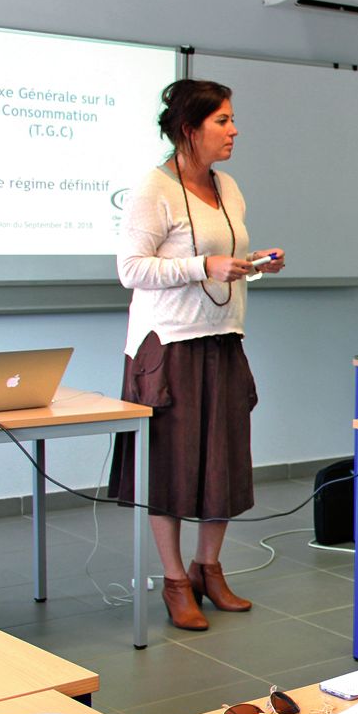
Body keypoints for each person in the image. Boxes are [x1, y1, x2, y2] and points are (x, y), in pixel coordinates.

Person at [108, 79, 285, 631]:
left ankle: (209, 568)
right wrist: (200, 267)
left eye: (233, 120)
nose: (234, 130)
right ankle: (175, 581)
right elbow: (131, 269)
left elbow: (220, 254)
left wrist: (253, 262)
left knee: (223, 460)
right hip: (169, 344)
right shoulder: (153, 189)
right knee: (171, 466)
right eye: (223, 121)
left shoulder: (228, 187)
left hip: (223, 336)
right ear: (190, 129)